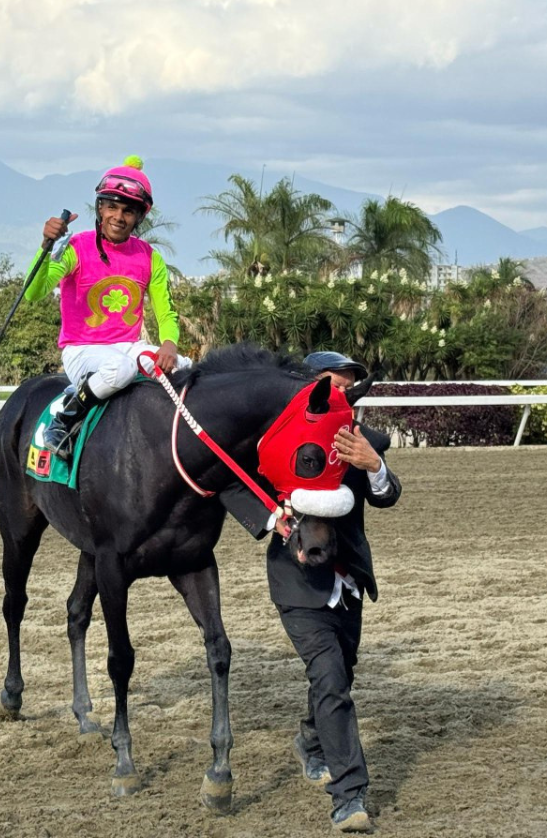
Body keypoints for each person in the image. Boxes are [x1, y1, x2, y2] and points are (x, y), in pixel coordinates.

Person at [222, 350, 401, 833]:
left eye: (347, 388)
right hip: (296, 582)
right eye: (331, 385)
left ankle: (311, 740)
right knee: (329, 678)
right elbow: (228, 485)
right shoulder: (274, 436)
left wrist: (375, 466)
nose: (340, 394)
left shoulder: (355, 442)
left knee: (341, 673)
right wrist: (270, 519)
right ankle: (350, 796)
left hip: (349, 581)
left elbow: (388, 495)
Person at [25, 156, 190, 460]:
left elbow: (166, 312)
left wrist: (169, 343)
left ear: (140, 216)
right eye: (111, 206)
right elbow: (35, 293)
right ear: (99, 208)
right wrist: (45, 246)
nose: (119, 216)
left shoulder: (150, 257)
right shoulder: (74, 247)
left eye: (128, 211)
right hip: (81, 349)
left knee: (185, 367)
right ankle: (66, 417)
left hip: (129, 345)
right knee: (122, 369)